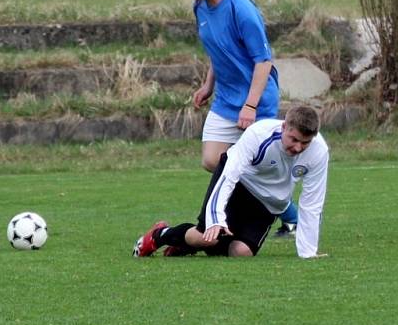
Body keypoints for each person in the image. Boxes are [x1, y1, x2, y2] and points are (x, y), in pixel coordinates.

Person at [185, 0, 298, 235]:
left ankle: (290, 215)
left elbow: (263, 61)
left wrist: (250, 106)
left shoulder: (241, 9)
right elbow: (217, 50)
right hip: (225, 99)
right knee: (212, 161)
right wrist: (208, 86)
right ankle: (280, 209)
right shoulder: (200, 9)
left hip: (256, 100)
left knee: (255, 162)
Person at [132, 105, 328, 259]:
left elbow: (312, 201)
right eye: (293, 139)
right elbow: (230, 175)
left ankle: (184, 245)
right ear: (284, 126)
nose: (298, 148)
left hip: (269, 203)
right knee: (206, 238)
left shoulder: (318, 152)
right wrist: (216, 218)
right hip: (238, 184)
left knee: (240, 252)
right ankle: (160, 235)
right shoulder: (259, 134)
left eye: (305, 142)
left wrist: (308, 251)